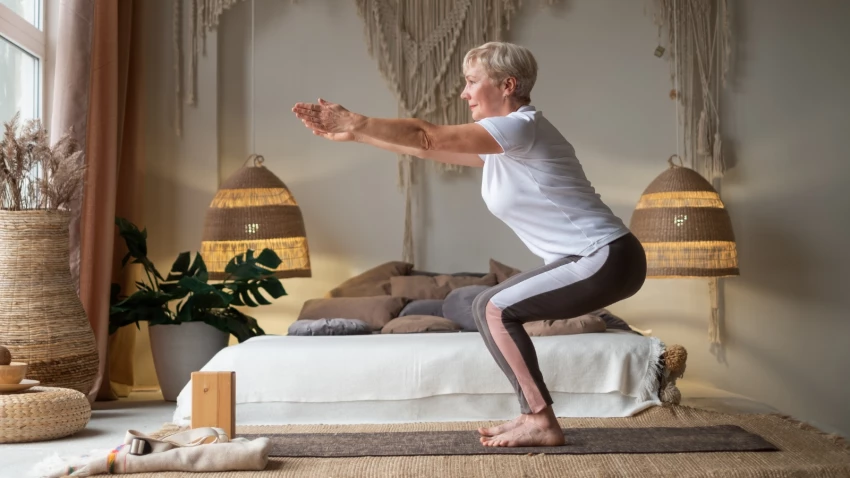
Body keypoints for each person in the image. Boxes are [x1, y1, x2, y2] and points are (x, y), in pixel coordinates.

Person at [292, 41, 647, 448]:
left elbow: (427, 135)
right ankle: (534, 416)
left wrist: (358, 120)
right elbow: (427, 149)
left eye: (472, 82)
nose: (464, 93)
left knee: (491, 307)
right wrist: (357, 135)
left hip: (605, 256)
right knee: (488, 306)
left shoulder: (520, 127)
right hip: (599, 259)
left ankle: (539, 420)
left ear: (507, 85)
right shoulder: (505, 144)